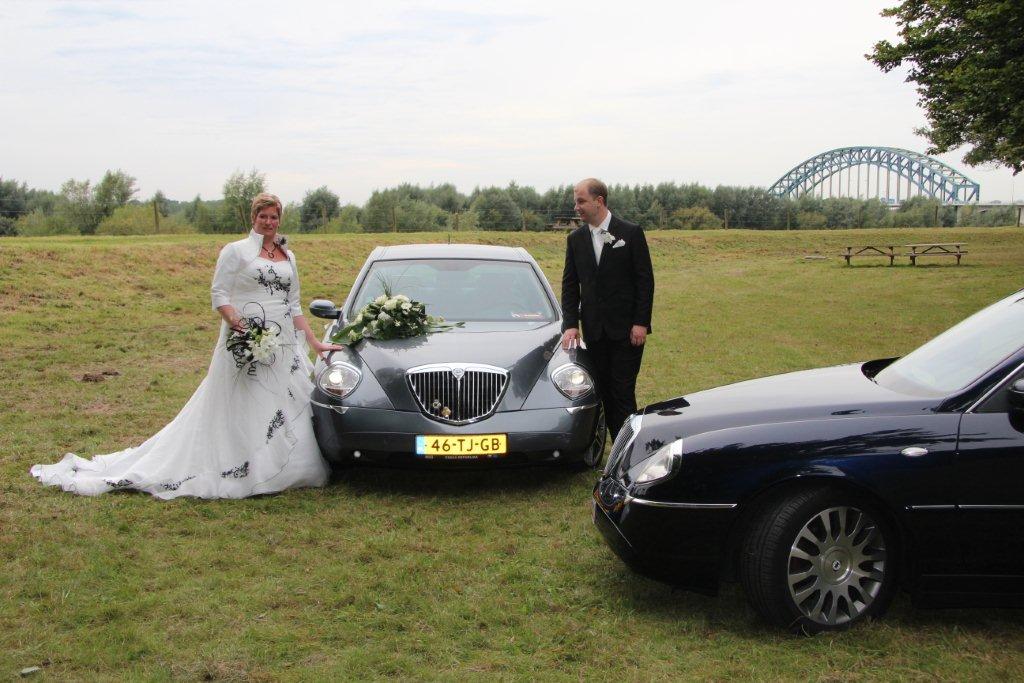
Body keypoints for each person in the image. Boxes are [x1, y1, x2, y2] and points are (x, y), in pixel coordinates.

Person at [30, 193, 342, 498]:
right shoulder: (235, 252)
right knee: (247, 401)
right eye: (263, 216)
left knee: (282, 399)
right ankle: (244, 468)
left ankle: (286, 468)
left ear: (280, 220)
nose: (269, 222)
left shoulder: (288, 256)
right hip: (246, 337)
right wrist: (245, 331)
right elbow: (219, 295)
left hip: (282, 342)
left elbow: (294, 304)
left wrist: (314, 342)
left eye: (274, 217)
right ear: (253, 218)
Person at [561, 178, 654, 441]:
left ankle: (628, 449)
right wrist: (571, 324)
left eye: (581, 201)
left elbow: (645, 281)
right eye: (575, 202)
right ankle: (612, 445)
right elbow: (570, 285)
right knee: (601, 390)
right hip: (594, 331)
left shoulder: (631, 233)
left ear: (599, 201)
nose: (576, 207)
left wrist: (641, 322)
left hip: (627, 332)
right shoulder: (575, 239)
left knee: (622, 392)